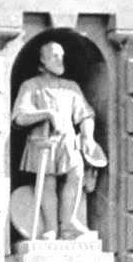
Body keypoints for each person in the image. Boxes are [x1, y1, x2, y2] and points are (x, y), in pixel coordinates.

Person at [11, 40, 106, 240]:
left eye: (61, 55)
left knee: (77, 174)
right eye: (54, 55)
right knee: (47, 184)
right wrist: (46, 114)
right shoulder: (31, 86)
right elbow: (19, 117)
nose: (60, 59)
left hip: (68, 141)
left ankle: (69, 222)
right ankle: (51, 228)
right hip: (43, 142)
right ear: (43, 60)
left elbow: (85, 114)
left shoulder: (71, 87)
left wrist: (87, 136)